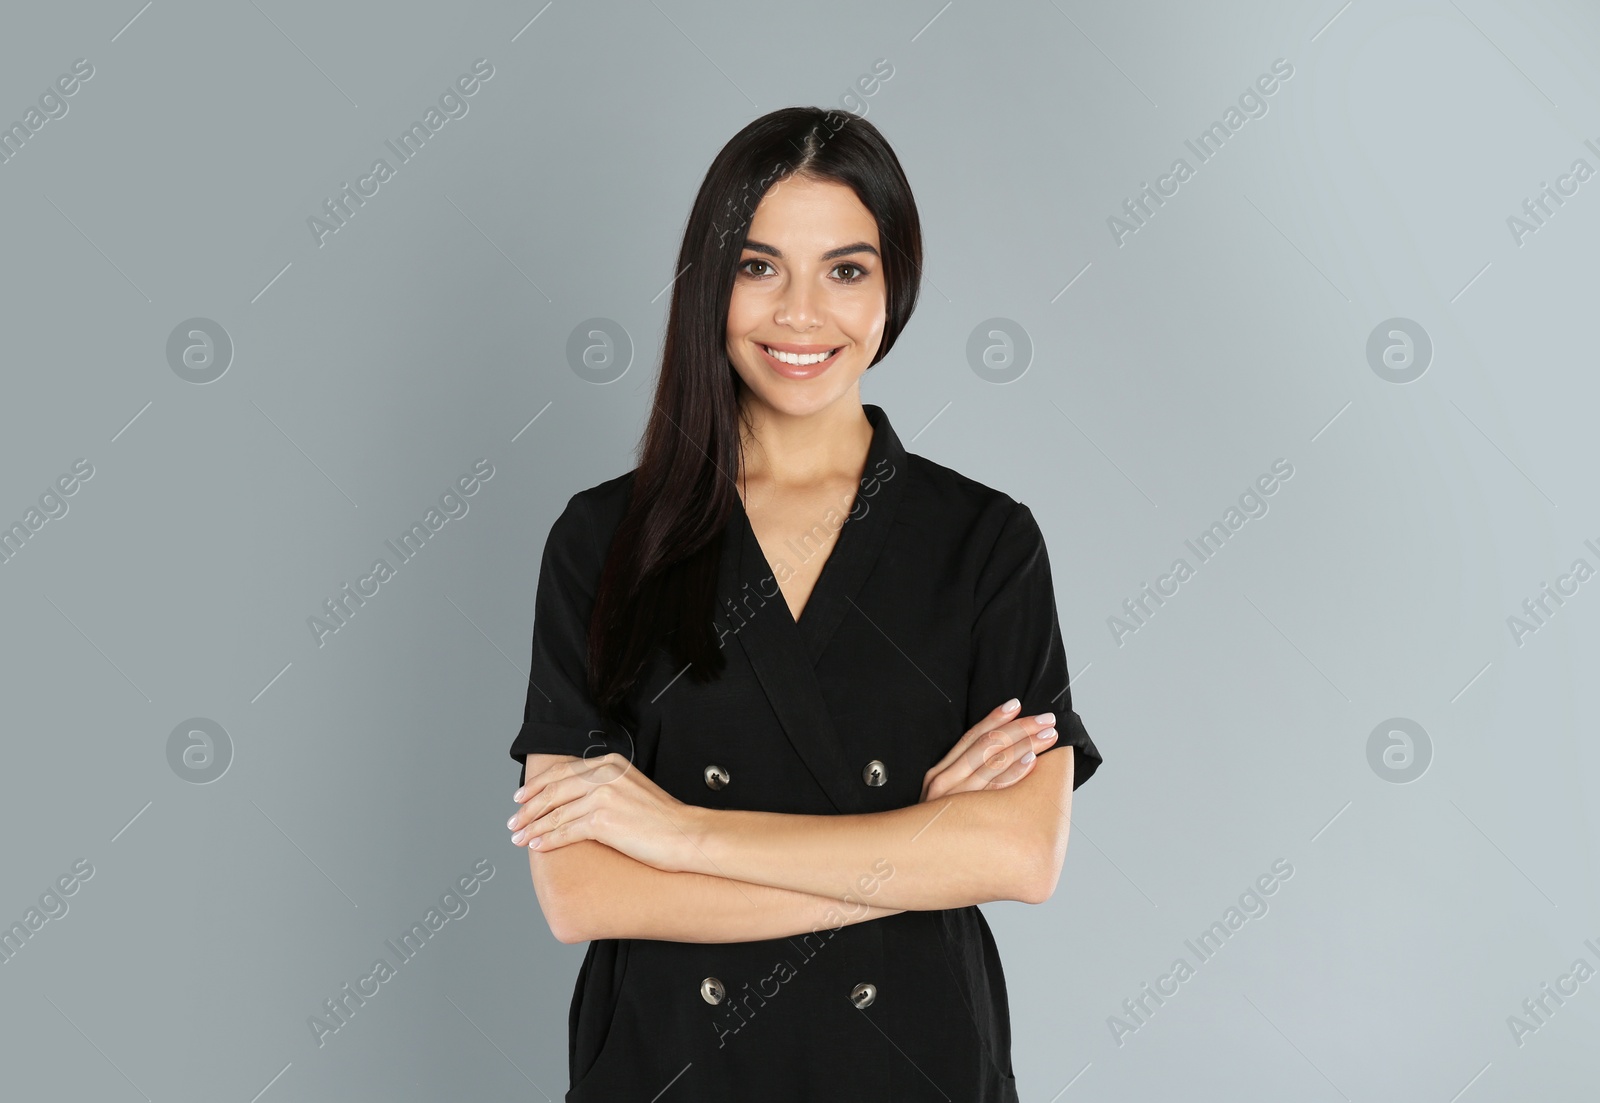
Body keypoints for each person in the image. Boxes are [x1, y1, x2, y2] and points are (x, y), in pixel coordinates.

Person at [505, 105, 1103, 1102]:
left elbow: (1018, 851)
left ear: (892, 284)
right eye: (758, 265)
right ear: (710, 281)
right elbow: (582, 890)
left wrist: (683, 832)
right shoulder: (602, 539)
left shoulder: (985, 540)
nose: (799, 314)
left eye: (845, 268)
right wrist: (911, 842)